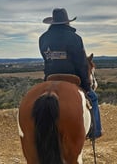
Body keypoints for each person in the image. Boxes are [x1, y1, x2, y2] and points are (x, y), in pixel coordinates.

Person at [39, 8, 102, 140]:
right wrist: (86, 85)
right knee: (93, 97)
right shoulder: (75, 38)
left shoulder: (43, 38)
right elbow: (81, 64)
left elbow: (46, 61)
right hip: (72, 78)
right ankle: (95, 131)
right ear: (67, 22)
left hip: (50, 78)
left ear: (53, 22)